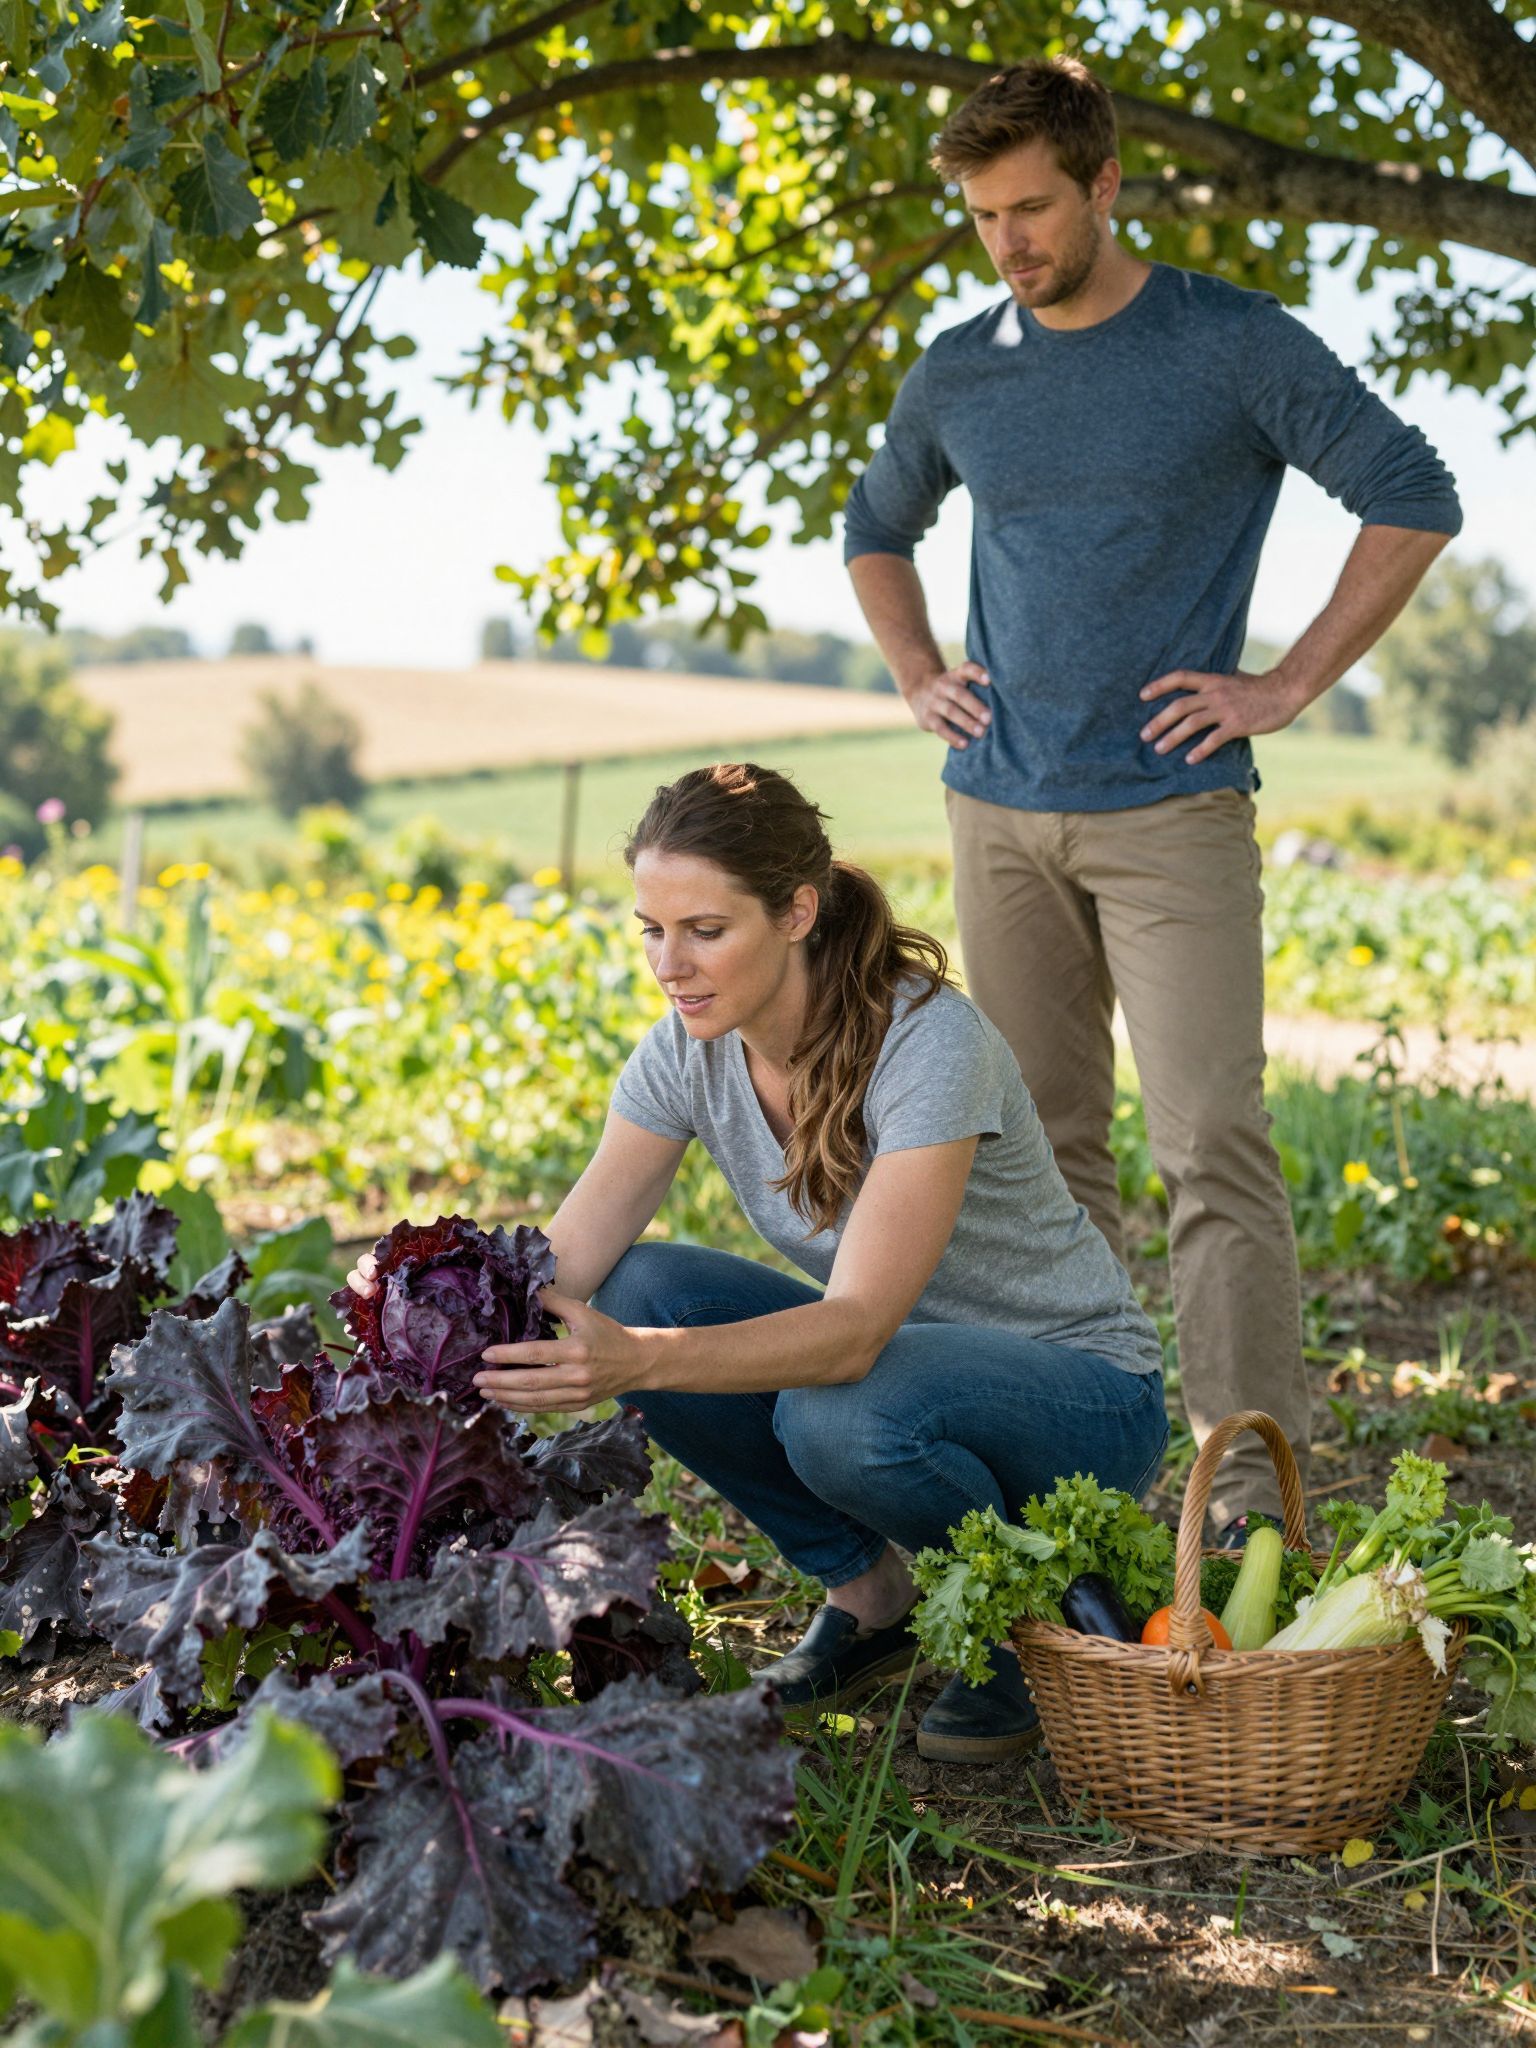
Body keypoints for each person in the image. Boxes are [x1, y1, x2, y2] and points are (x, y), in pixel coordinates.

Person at [842, 57, 1463, 1541]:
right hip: (999, 810)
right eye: (986, 216)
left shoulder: (1230, 344)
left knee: (1211, 1149)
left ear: (1107, 185)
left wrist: (1285, 684)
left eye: (1035, 208)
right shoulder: (962, 367)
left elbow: (1414, 490)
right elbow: (878, 526)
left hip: (1173, 814)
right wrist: (922, 668)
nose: (1010, 242)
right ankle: (1089, 1479)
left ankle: (1252, 1497)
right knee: (1046, 1162)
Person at [348, 763, 1167, 1761]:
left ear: (796, 912)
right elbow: (561, 1262)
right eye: (652, 927)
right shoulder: (688, 1049)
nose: (670, 961)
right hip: (904, 1377)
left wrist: (638, 1361)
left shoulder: (926, 1044)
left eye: (705, 928)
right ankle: (871, 1595)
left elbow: (857, 1326)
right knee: (641, 1286)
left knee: (830, 1410)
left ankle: (1019, 1626)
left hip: (1078, 1399)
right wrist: (425, 1294)